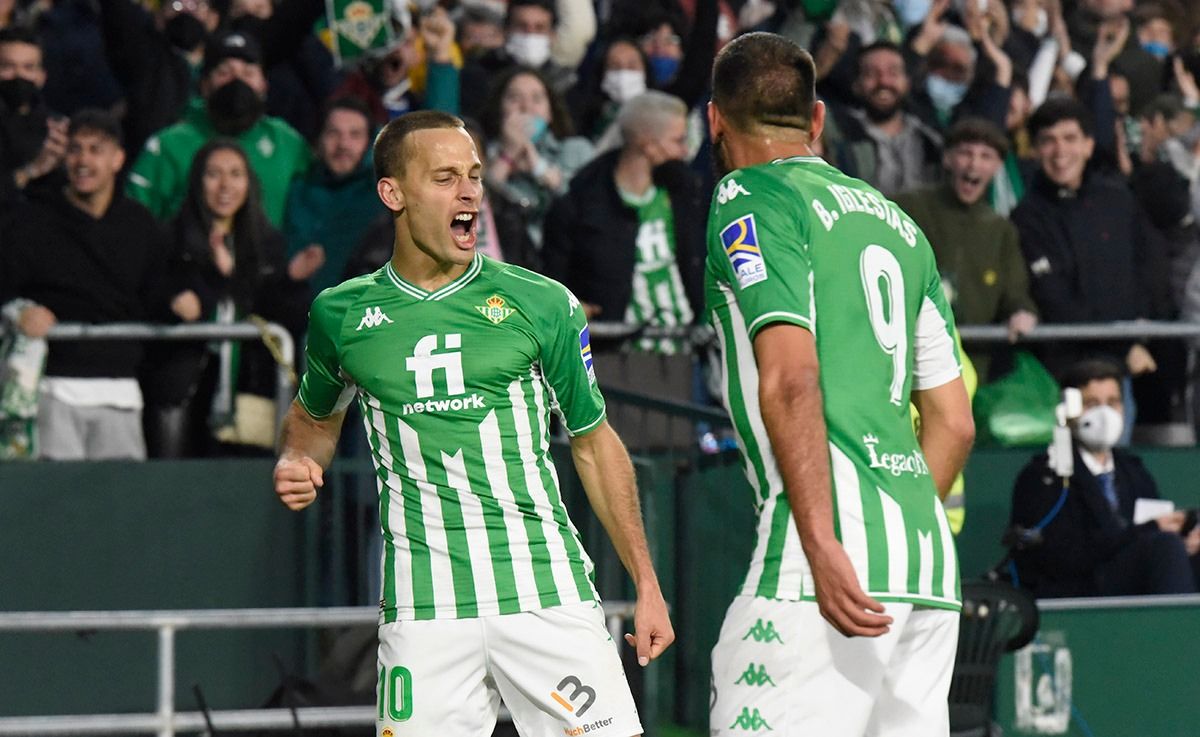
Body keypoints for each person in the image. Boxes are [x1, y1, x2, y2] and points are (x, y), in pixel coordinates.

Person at [272, 110, 673, 736]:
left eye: (475, 176)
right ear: (393, 194)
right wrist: (299, 459)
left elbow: (595, 444)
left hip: (545, 591)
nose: (469, 193)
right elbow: (312, 418)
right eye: (445, 178)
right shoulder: (341, 313)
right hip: (424, 610)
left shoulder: (543, 302)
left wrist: (646, 582)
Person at [704, 33, 974, 736]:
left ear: (715, 120)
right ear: (817, 119)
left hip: (819, 557)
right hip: (923, 563)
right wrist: (891, 522)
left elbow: (791, 375)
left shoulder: (748, 193)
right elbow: (954, 421)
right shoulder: (902, 225)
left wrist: (825, 541)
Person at [0, 109, 200, 460]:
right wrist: (20, 312)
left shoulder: (140, 224)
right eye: (75, 149)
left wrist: (179, 302)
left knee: (121, 495)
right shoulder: (32, 221)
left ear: (118, 159)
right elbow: (5, 289)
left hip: (121, 389)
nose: (83, 161)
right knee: (55, 495)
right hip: (51, 388)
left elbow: (156, 290)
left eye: (96, 150)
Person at [144, 139, 311, 457]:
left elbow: (278, 314)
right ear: (197, 182)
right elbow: (153, 298)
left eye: (235, 174)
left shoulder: (268, 243)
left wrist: (291, 281)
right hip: (182, 393)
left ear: (249, 183)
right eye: (213, 174)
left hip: (251, 395)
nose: (225, 186)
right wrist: (204, 283)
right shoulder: (170, 239)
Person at [1009, 359, 1198, 597]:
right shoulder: (1045, 476)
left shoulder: (1133, 471)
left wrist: (1183, 533)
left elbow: (1148, 536)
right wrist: (1151, 530)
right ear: (1068, 409)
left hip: (1132, 580)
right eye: (1092, 404)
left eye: (1112, 402)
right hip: (1081, 588)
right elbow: (1063, 558)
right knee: (1165, 547)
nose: (1105, 414)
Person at [1010, 97, 1167, 380]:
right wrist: (1122, 346)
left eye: (1070, 138)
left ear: (1089, 145)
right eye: (1048, 140)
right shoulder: (1026, 217)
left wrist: (1140, 330)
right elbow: (1051, 296)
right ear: (1035, 150)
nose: (1060, 151)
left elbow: (1150, 266)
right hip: (1062, 369)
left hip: (1127, 369)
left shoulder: (1118, 200)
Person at [543, 91, 703, 353]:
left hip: (688, 352)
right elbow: (552, 281)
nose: (684, 151)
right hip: (612, 356)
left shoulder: (685, 193)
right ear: (647, 144)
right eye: (677, 141)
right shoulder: (579, 205)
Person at [895, 117, 1038, 380]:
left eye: (986, 156)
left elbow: (1015, 294)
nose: (974, 164)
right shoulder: (908, 207)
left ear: (998, 166)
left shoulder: (1001, 230)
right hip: (907, 359)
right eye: (965, 153)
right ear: (947, 158)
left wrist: (1022, 313)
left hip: (973, 369)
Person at [126, 29, 310, 226]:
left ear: (264, 86)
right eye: (224, 72)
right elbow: (133, 220)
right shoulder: (169, 144)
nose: (237, 81)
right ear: (204, 85)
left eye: (248, 73)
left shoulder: (286, 141)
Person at [482, 66, 594, 261]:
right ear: (499, 109)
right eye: (514, 98)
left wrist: (538, 168)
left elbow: (586, 207)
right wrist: (508, 155)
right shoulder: (481, 153)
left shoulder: (576, 150)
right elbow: (480, 205)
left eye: (536, 99)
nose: (526, 107)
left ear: (550, 112)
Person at [283, 98, 384, 298]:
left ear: (369, 142)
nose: (343, 144)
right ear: (319, 139)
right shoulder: (297, 191)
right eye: (333, 133)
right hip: (293, 308)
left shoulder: (383, 198)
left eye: (355, 135)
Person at [834, 40, 944, 196]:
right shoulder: (839, 138)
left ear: (907, 82)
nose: (884, 81)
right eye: (871, 74)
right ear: (856, 85)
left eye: (893, 73)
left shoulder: (930, 142)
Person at [0, 26, 66, 211]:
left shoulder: (58, 128)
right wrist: (31, 170)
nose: (18, 75)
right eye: (7, 66)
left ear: (42, 76)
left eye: (28, 67)